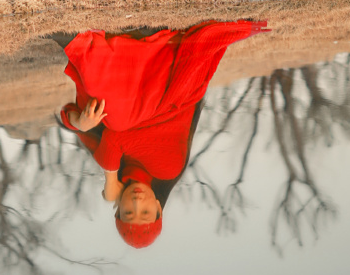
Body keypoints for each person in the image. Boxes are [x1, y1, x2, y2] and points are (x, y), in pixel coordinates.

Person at [59, 19, 269, 248]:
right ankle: (77, 42)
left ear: (118, 209)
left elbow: (72, 118)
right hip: (166, 84)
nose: (137, 202)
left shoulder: (118, 166)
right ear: (159, 207)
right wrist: (110, 182)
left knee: (101, 113)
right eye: (146, 212)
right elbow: (116, 137)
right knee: (117, 120)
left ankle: (82, 41)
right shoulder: (168, 169)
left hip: (135, 89)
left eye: (129, 212)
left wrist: (81, 123)